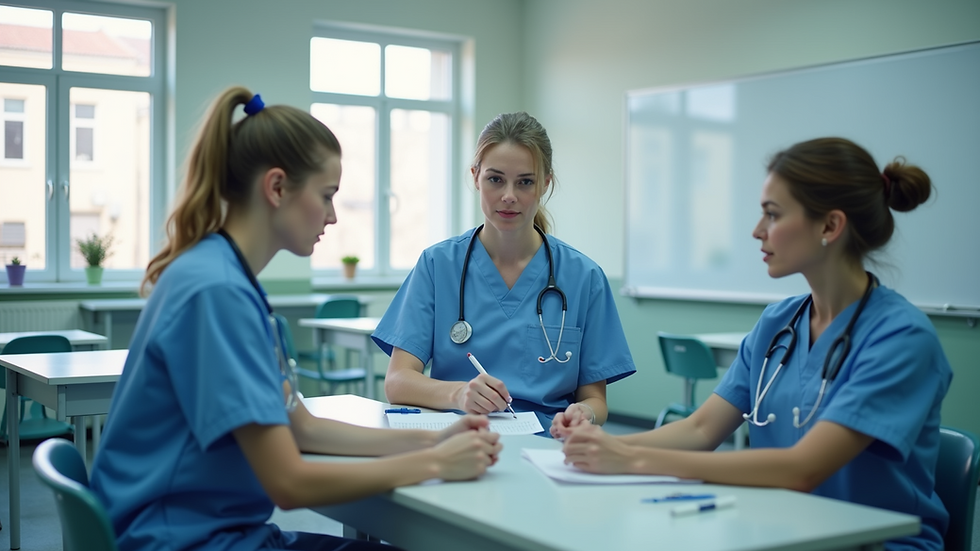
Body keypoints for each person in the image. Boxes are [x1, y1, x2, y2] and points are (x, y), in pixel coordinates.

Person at [89, 86, 501, 551]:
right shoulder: (217, 293)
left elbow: (300, 426)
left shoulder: (220, 274)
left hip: (200, 529)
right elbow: (288, 482)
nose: (331, 216)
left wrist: (435, 440)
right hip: (178, 539)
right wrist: (437, 465)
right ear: (277, 187)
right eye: (326, 196)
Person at [559, 137, 951, 551]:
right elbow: (701, 428)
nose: (757, 230)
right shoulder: (778, 324)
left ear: (830, 226)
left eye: (772, 214)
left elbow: (802, 469)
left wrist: (631, 459)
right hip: (781, 532)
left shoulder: (902, 338)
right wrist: (599, 445)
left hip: (874, 544)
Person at [373, 112, 635, 437]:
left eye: (525, 182)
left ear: (545, 184)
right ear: (475, 176)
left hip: (546, 444)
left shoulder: (584, 277)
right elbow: (398, 381)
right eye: (495, 179)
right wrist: (458, 394)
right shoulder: (437, 265)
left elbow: (595, 400)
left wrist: (585, 413)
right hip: (461, 439)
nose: (509, 195)